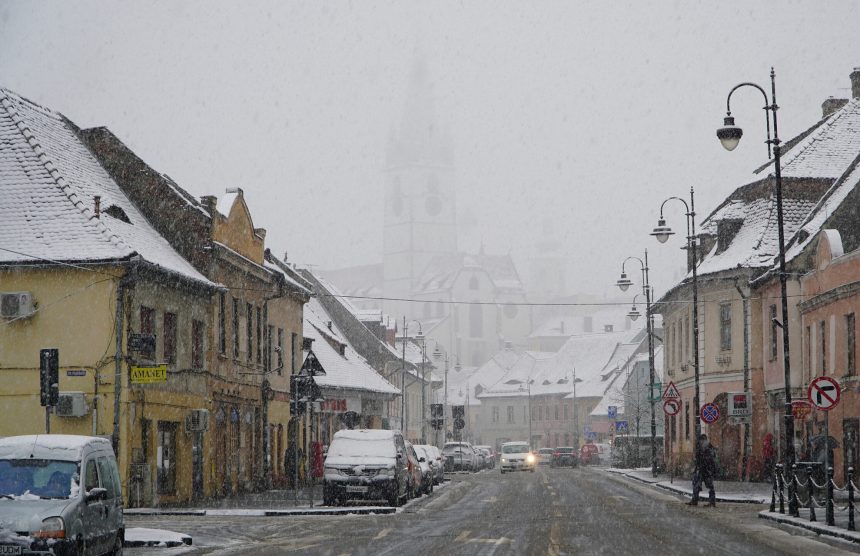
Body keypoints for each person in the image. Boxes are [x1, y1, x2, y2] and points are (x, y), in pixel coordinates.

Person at [688, 433, 717, 507]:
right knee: (699, 485)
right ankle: (710, 502)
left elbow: (710, 458)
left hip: (705, 469)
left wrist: (702, 464)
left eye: (701, 440)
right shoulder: (706, 447)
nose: (700, 442)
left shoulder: (706, 447)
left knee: (701, 485)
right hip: (704, 469)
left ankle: (697, 501)